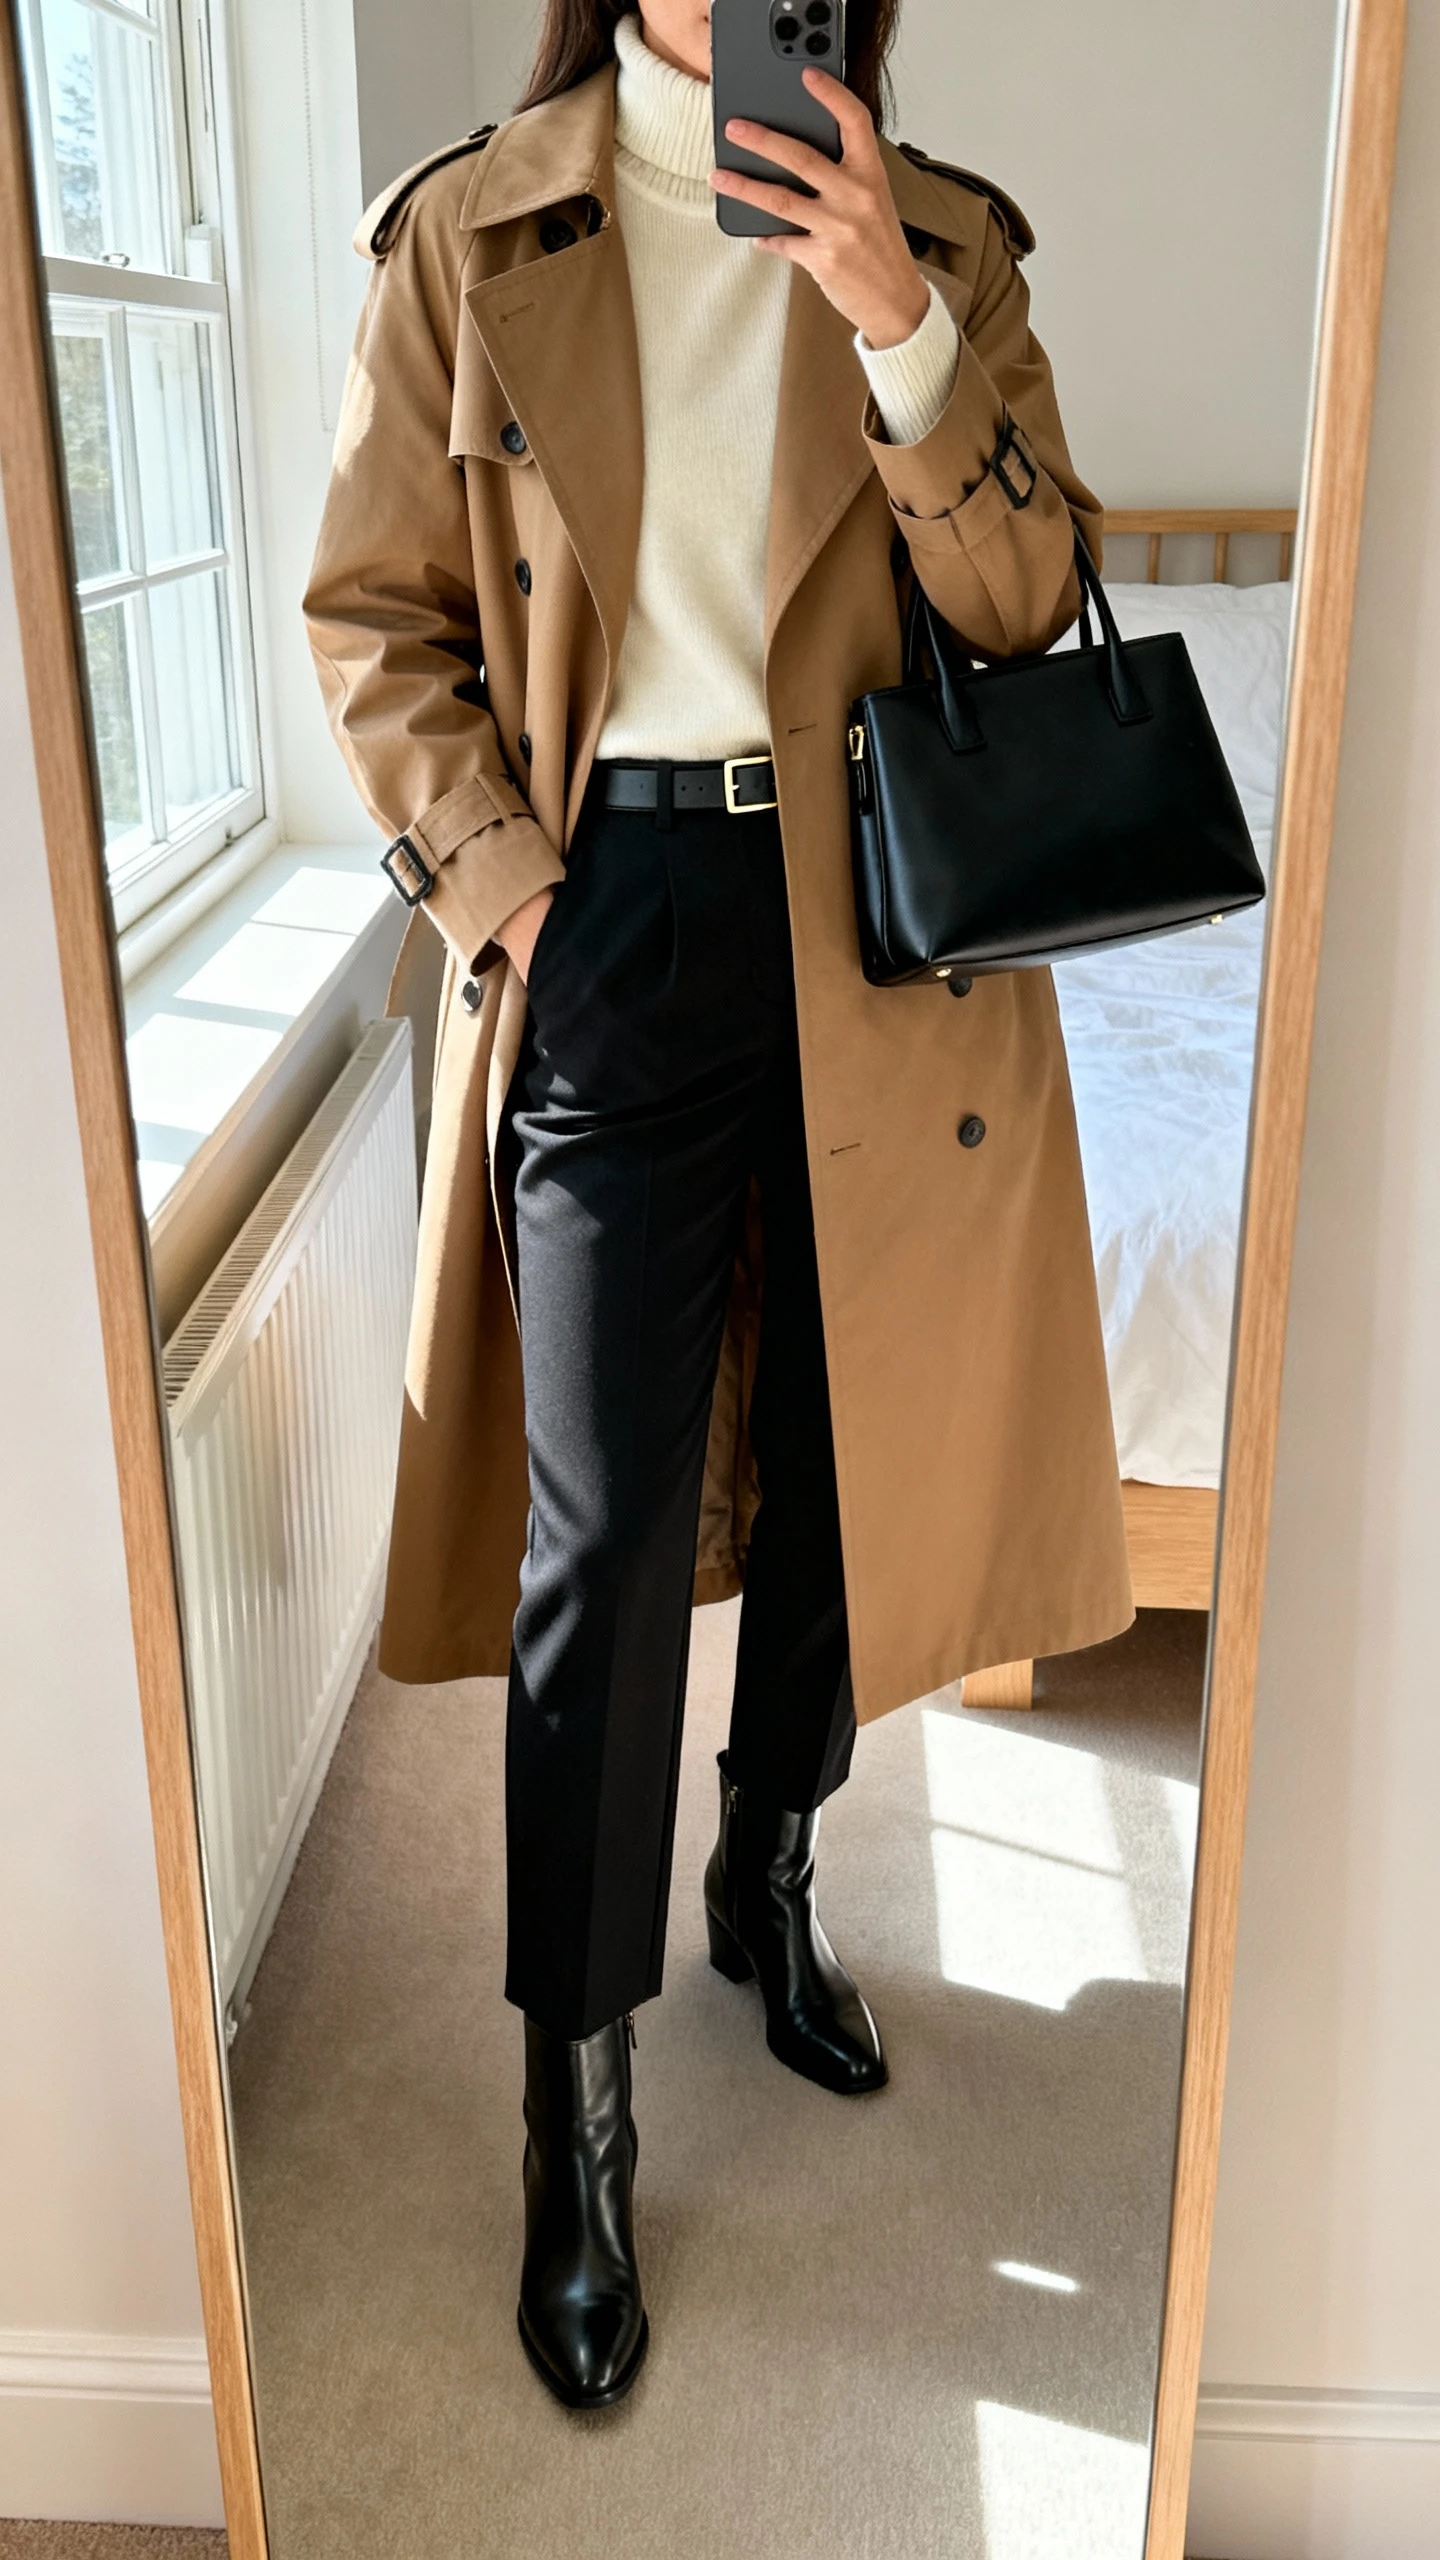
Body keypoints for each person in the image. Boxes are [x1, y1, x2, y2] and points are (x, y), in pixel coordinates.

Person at [306, 0, 1132, 2415]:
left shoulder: (945, 240)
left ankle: (768, 1867)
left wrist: (899, 321)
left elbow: (1022, 603)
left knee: (859, 1467)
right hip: (613, 922)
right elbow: (379, 619)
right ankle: (578, 2111)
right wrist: (516, 900)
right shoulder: (470, 224)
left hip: (885, 926)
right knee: (601, 1542)